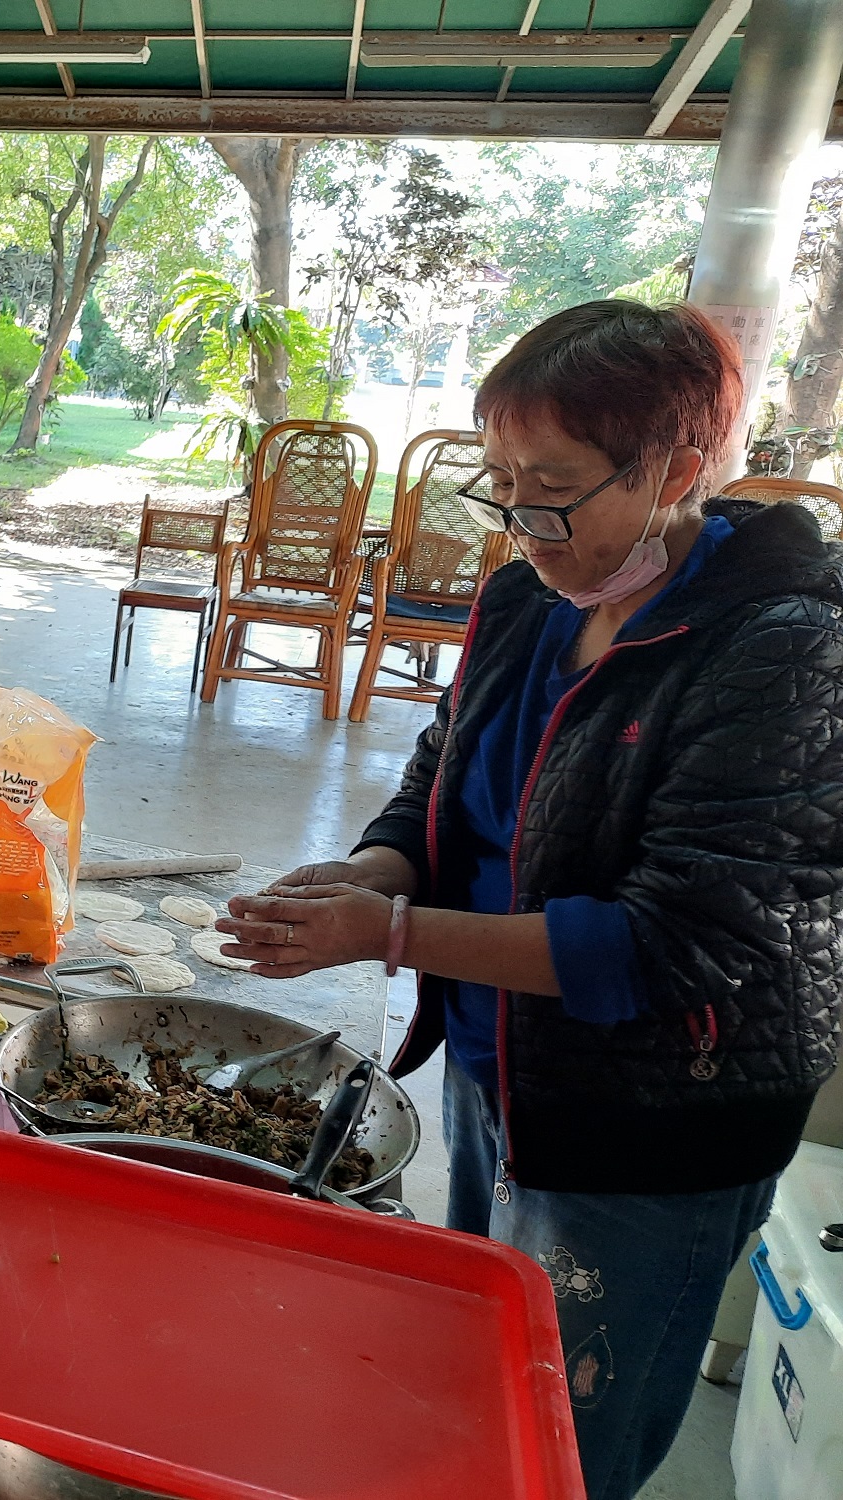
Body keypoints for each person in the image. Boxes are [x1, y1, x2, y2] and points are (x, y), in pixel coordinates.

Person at [219, 300, 843, 1500]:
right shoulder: (526, 600)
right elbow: (436, 786)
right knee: (476, 1367)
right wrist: (369, 873)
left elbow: (676, 943)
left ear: (673, 467)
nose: (518, 523)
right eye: (497, 481)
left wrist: (390, 934)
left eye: (549, 487)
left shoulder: (784, 651)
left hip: (649, 1117)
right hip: (497, 1060)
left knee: (568, 1436)